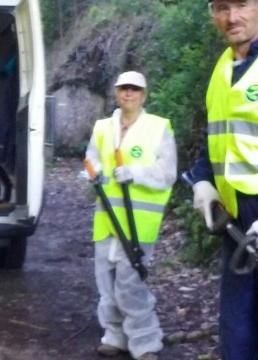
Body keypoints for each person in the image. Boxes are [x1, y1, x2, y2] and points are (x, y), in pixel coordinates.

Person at [85, 71, 177, 360]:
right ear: (116, 93)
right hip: (107, 218)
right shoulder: (102, 128)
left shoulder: (158, 128)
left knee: (130, 285)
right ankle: (115, 336)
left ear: (144, 95)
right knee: (106, 283)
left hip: (139, 223)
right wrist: (92, 175)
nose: (129, 94)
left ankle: (146, 342)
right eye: (124, 89)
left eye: (135, 90)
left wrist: (135, 173)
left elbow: (167, 173)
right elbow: (90, 160)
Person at [186, 1, 258, 359]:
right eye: (221, 7)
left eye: (242, 4)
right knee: (237, 324)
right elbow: (213, 139)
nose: (232, 18)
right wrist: (202, 181)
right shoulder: (222, 68)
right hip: (235, 219)